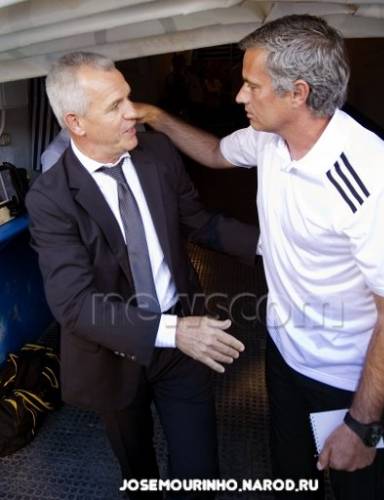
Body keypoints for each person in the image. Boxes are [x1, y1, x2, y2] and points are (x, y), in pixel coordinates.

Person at [130, 14, 384, 499]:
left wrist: (363, 423)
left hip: (342, 377)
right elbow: (215, 153)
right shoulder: (270, 137)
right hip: (285, 351)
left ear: (298, 93)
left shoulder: (375, 183)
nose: (239, 96)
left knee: (355, 485)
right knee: (291, 476)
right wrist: (156, 117)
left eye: (252, 85)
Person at [25, 52, 259, 499]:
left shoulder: (158, 154)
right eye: (115, 106)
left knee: (200, 475)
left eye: (128, 97)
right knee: (139, 473)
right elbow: (74, 304)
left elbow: (200, 222)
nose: (133, 112)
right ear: (76, 123)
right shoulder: (50, 198)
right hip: (113, 353)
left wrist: (274, 246)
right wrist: (173, 332)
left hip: (181, 343)